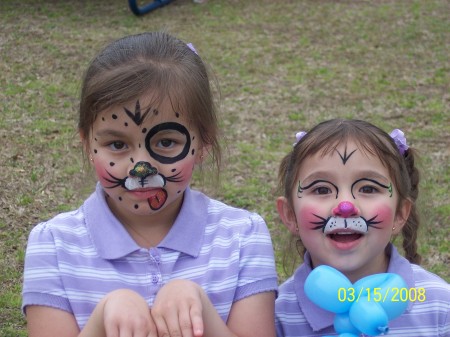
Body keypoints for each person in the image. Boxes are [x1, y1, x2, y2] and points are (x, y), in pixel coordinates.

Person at [22, 31, 278, 337]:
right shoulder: (53, 245)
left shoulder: (243, 237)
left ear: (204, 142)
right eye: (117, 144)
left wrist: (203, 311)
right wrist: (101, 320)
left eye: (167, 142)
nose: (140, 167)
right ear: (88, 144)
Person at [274, 119, 450, 337]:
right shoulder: (277, 317)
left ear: (400, 214)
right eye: (321, 190)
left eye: (368, 188)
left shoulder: (440, 306)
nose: (345, 207)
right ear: (290, 215)